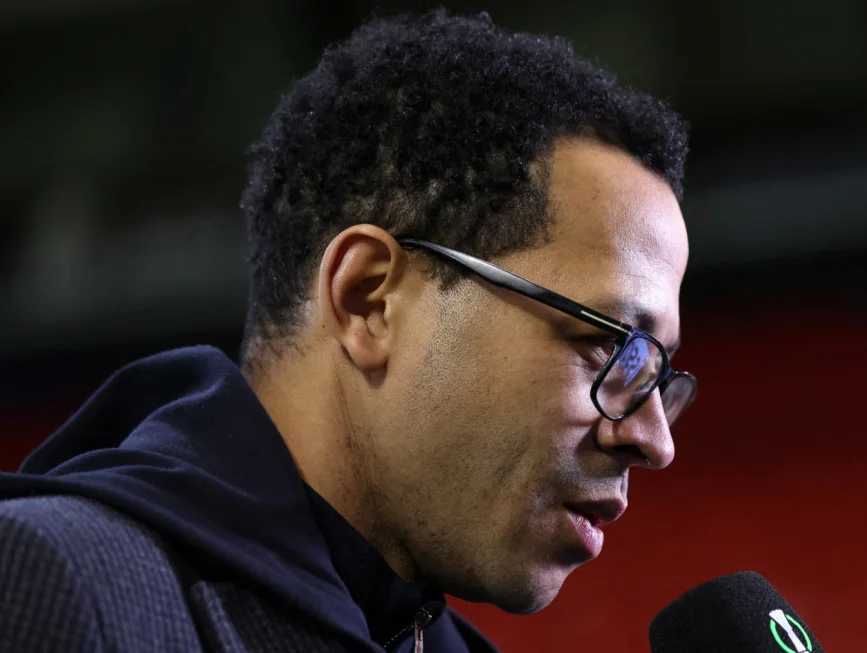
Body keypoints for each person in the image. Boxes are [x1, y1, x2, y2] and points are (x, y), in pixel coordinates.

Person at [0, 10, 695, 653]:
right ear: (368, 299)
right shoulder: (59, 583)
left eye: (657, 373)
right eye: (610, 345)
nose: (654, 440)